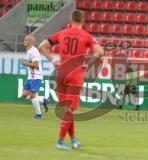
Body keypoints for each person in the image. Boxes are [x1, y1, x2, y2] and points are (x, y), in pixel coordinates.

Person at [39, 10, 104, 150]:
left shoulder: (61, 33)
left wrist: (52, 60)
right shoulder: (86, 36)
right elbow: (100, 51)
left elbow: (42, 46)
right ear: (83, 21)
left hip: (61, 71)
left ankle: (73, 140)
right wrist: (88, 65)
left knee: (67, 110)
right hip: (75, 73)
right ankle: (60, 141)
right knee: (69, 109)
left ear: (70, 19)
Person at [21, 35, 49, 119]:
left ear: (31, 41)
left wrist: (25, 63)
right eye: (24, 40)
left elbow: (36, 65)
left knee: (33, 96)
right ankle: (43, 100)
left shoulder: (34, 51)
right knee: (24, 95)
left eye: (26, 40)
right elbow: (30, 63)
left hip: (36, 76)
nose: (24, 41)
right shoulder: (29, 51)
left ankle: (38, 115)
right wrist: (26, 62)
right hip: (30, 76)